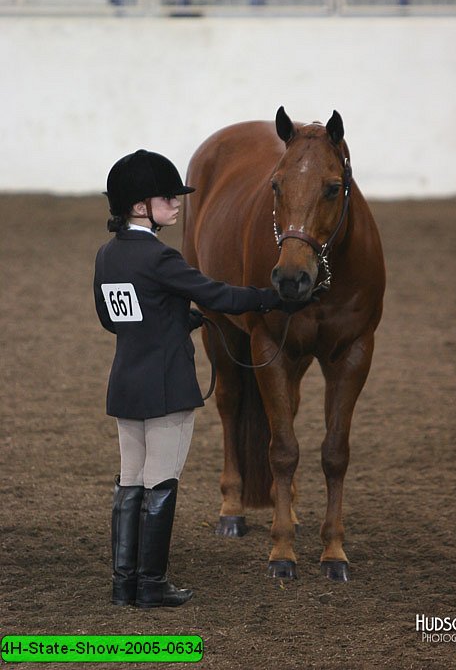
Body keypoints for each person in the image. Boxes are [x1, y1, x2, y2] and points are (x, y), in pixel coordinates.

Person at [94, 149, 307, 610]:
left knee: (130, 482)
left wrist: (174, 319)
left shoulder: (107, 256)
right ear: (138, 207)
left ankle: (123, 582)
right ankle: (152, 583)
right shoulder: (162, 258)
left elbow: (114, 319)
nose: (177, 205)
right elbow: (220, 295)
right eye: (167, 198)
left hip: (125, 383)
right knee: (161, 483)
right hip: (167, 387)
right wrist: (272, 300)